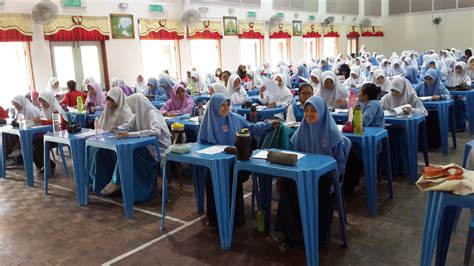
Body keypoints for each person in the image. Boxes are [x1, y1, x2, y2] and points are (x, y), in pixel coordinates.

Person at [275, 95, 347, 248]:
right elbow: (296, 155)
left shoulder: (332, 133)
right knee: (287, 185)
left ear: (322, 112)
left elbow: (340, 163)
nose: (309, 114)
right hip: (303, 174)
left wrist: (334, 180)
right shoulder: (302, 130)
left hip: (325, 177)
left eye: (314, 111)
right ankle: (291, 233)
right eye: (306, 110)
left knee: (319, 190)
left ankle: (317, 236)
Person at [197, 93, 278, 227]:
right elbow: (202, 148)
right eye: (222, 105)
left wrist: (268, 125)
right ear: (214, 107)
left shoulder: (235, 119)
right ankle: (215, 219)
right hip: (216, 165)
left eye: (227, 104)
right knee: (210, 177)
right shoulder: (208, 123)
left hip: (235, 164)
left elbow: (252, 128)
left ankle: (234, 219)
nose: (226, 107)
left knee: (229, 176)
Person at [99, 94, 171, 199]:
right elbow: (128, 126)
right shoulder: (137, 114)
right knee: (126, 151)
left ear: (137, 104)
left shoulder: (152, 113)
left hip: (157, 150)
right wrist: (116, 129)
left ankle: (118, 182)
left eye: (132, 105)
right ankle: (120, 183)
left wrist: (130, 134)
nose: (131, 108)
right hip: (147, 146)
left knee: (131, 152)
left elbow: (156, 131)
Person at [88, 88, 134, 195]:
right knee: (90, 149)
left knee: (100, 153)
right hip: (105, 140)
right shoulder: (107, 110)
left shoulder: (126, 112)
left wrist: (117, 128)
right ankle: (93, 181)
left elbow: (128, 129)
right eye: (108, 100)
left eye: (113, 100)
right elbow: (99, 124)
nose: (110, 103)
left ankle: (105, 183)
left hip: (118, 143)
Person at [344, 83, 385, 194]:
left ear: (365, 95)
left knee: (349, 153)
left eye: (360, 92)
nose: (358, 94)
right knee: (348, 150)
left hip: (370, 143)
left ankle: (348, 187)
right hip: (365, 140)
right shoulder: (370, 104)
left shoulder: (372, 105)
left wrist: (353, 117)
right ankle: (348, 185)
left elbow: (364, 121)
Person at [32, 91, 69, 174]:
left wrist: (41, 121)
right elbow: (43, 119)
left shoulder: (56, 108)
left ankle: (49, 165)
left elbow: (58, 123)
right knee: (32, 142)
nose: (42, 103)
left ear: (49, 100)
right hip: (51, 134)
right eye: (40, 101)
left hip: (61, 135)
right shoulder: (44, 110)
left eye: (44, 101)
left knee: (38, 144)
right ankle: (44, 165)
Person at [414, 69, 451, 149]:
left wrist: (440, 96)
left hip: (435, 111)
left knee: (433, 119)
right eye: (426, 78)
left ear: (435, 79)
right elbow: (412, 92)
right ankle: (422, 144)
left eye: (431, 79)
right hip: (423, 110)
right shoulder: (421, 84)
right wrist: (416, 96)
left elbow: (448, 95)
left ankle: (434, 144)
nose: (428, 81)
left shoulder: (439, 85)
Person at [448, 61, 472, 132]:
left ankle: (461, 126)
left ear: (464, 69)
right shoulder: (453, 77)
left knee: (459, 104)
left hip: (463, 98)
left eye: (460, 68)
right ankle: (452, 126)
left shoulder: (467, 77)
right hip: (453, 97)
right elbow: (450, 87)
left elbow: (468, 86)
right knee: (451, 106)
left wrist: (464, 84)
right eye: (457, 68)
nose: (458, 70)